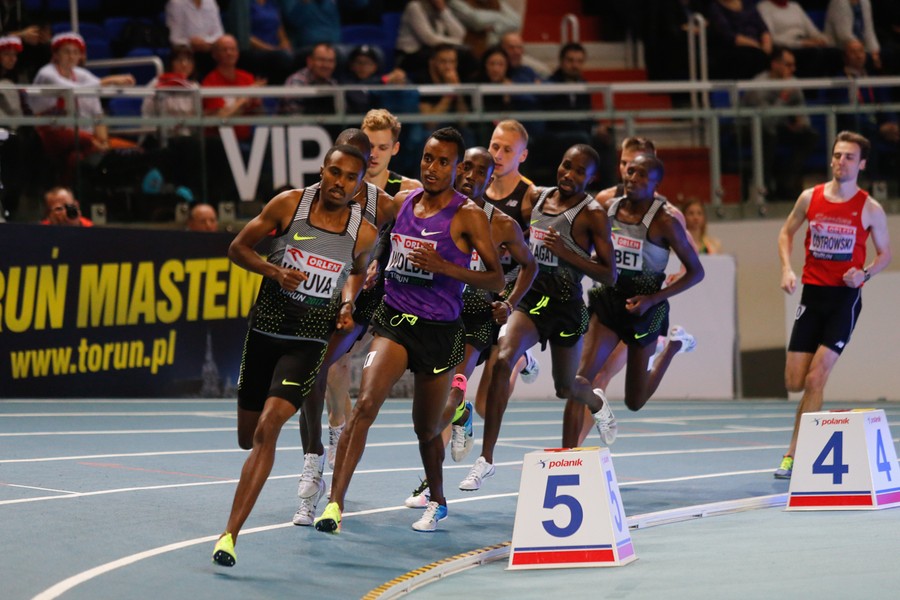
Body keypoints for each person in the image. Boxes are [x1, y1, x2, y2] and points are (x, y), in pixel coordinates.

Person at [313, 127, 504, 534]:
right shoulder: (403, 203)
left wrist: (445, 268)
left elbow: (495, 279)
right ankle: (335, 505)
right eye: (428, 159)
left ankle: (438, 500)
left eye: (443, 162)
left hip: (438, 332)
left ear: (456, 168)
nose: (433, 168)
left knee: (426, 430)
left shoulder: (467, 214)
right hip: (395, 321)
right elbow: (370, 237)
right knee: (365, 405)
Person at [211, 143, 377, 567]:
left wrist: (346, 305)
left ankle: (228, 536)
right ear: (322, 170)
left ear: (360, 186)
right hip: (264, 334)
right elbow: (237, 248)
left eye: (350, 177)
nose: (339, 182)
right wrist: (274, 270)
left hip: (308, 343)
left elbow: (356, 270)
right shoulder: (288, 205)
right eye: (334, 172)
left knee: (268, 428)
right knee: (247, 436)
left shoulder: (364, 232)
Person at [458, 143, 615, 492]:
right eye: (565, 165)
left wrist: (567, 254)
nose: (568, 175)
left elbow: (609, 275)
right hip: (531, 299)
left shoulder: (593, 214)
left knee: (566, 387)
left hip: (566, 306)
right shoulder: (538, 198)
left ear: (591, 179)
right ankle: (485, 459)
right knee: (502, 358)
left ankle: (596, 400)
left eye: (578, 171)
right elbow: (524, 235)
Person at [404, 146, 537, 509]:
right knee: (455, 403)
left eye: (481, 172)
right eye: (465, 168)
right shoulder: (435, 212)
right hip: (441, 316)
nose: (470, 177)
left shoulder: (501, 224)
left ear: (488, 179)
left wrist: (509, 302)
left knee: (453, 396)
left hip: (478, 321)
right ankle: (449, 442)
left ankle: (431, 488)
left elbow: (530, 266)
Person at [562, 153, 705, 448]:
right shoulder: (607, 209)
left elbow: (696, 272)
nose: (632, 178)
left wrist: (654, 299)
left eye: (641, 175)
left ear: (655, 184)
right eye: (630, 171)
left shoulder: (664, 221)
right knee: (579, 380)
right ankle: (565, 458)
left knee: (635, 401)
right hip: (609, 302)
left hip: (645, 308)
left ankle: (673, 347)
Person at [291, 127, 394, 526]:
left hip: (362, 301)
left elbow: (401, 242)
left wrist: (376, 268)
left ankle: (323, 464)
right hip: (318, 295)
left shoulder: (383, 205)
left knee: (323, 368)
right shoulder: (311, 198)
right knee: (309, 377)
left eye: (359, 160)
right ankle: (315, 457)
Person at [773, 130, 891, 479]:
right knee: (795, 380)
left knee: (815, 377)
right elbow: (786, 232)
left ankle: (795, 455)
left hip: (844, 300)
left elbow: (886, 254)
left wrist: (865, 274)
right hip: (812, 295)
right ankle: (819, 416)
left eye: (849, 157)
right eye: (838, 156)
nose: (842, 162)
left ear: (862, 164)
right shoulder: (810, 198)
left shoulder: (870, 208)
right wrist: (786, 268)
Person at [28, 32, 137, 185]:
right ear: (56, 54)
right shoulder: (46, 73)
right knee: (85, 141)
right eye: (66, 51)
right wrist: (111, 80)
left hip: (85, 139)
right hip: (51, 133)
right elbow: (71, 89)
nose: (71, 56)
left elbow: (97, 111)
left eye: (75, 52)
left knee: (132, 151)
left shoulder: (82, 75)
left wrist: (103, 141)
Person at [740, 46, 819, 201]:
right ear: (775, 65)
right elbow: (765, 121)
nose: (793, 69)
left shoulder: (792, 83)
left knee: (810, 136)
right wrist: (783, 97)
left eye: (793, 65)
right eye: (788, 65)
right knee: (769, 135)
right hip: (751, 130)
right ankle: (767, 188)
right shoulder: (759, 86)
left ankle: (787, 181)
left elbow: (802, 111)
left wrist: (801, 123)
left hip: (779, 126)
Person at [539, 42, 614, 189]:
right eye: (570, 60)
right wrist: (591, 130)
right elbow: (560, 120)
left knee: (607, 137)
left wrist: (598, 128)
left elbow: (587, 115)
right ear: (561, 61)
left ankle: (607, 189)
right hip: (554, 136)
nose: (575, 65)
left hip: (580, 133)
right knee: (582, 139)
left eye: (579, 61)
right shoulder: (550, 84)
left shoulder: (584, 85)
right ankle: (579, 187)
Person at [201, 34, 266, 144]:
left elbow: (259, 115)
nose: (229, 53)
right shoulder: (210, 82)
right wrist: (245, 97)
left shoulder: (247, 78)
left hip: (246, 138)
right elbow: (220, 119)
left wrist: (257, 102)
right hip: (220, 141)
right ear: (215, 54)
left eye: (233, 49)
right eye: (224, 50)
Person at [756, 0, 841, 78]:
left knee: (834, 52)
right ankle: (808, 92)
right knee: (813, 54)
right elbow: (772, 38)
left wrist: (823, 40)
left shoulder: (795, 6)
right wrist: (801, 43)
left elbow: (813, 31)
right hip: (785, 46)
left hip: (805, 41)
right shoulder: (763, 7)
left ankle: (834, 90)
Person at [395, 0, 467, 78]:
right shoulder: (415, 7)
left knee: (465, 54)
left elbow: (460, 33)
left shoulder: (442, 8)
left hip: (433, 49)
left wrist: (443, 11)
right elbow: (429, 39)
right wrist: (457, 42)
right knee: (459, 54)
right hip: (410, 54)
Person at [707, 0, 773, 80]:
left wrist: (766, 44)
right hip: (735, 48)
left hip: (758, 48)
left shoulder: (748, 3)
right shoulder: (715, 7)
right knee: (750, 56)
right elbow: (728, 35)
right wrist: (756, 46)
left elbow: (763, 29)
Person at [165, 0, 225, 78]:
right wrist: (191, 43)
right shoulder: (176, 3)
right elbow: (174, 38)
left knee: (226, 51)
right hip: (187, 49)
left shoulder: (211, 2)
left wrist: (205, 42)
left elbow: (219, 33)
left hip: (209, 48)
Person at [448, 0, 522, 59]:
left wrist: (494, 28)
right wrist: (501, 16)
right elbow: (477, 21)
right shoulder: (456, 2)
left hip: (496, 52)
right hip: (471, 54)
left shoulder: (495, 2)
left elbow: (516, 22)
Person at [281, 42, 338, 116]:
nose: (326, 65)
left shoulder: (333, 83)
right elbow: (294, 117)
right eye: (321, 60)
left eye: (330, 61)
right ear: (310, 61)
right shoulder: (296, 81)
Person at [825, 0, 882, 71]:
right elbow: (844, 34)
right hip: (840, 45)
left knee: (883, 56)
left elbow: (869, 30)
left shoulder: (865, 2)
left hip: (860, 45)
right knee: (858, 53)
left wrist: (874, 51)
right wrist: (862, 50)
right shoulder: (839, 2)